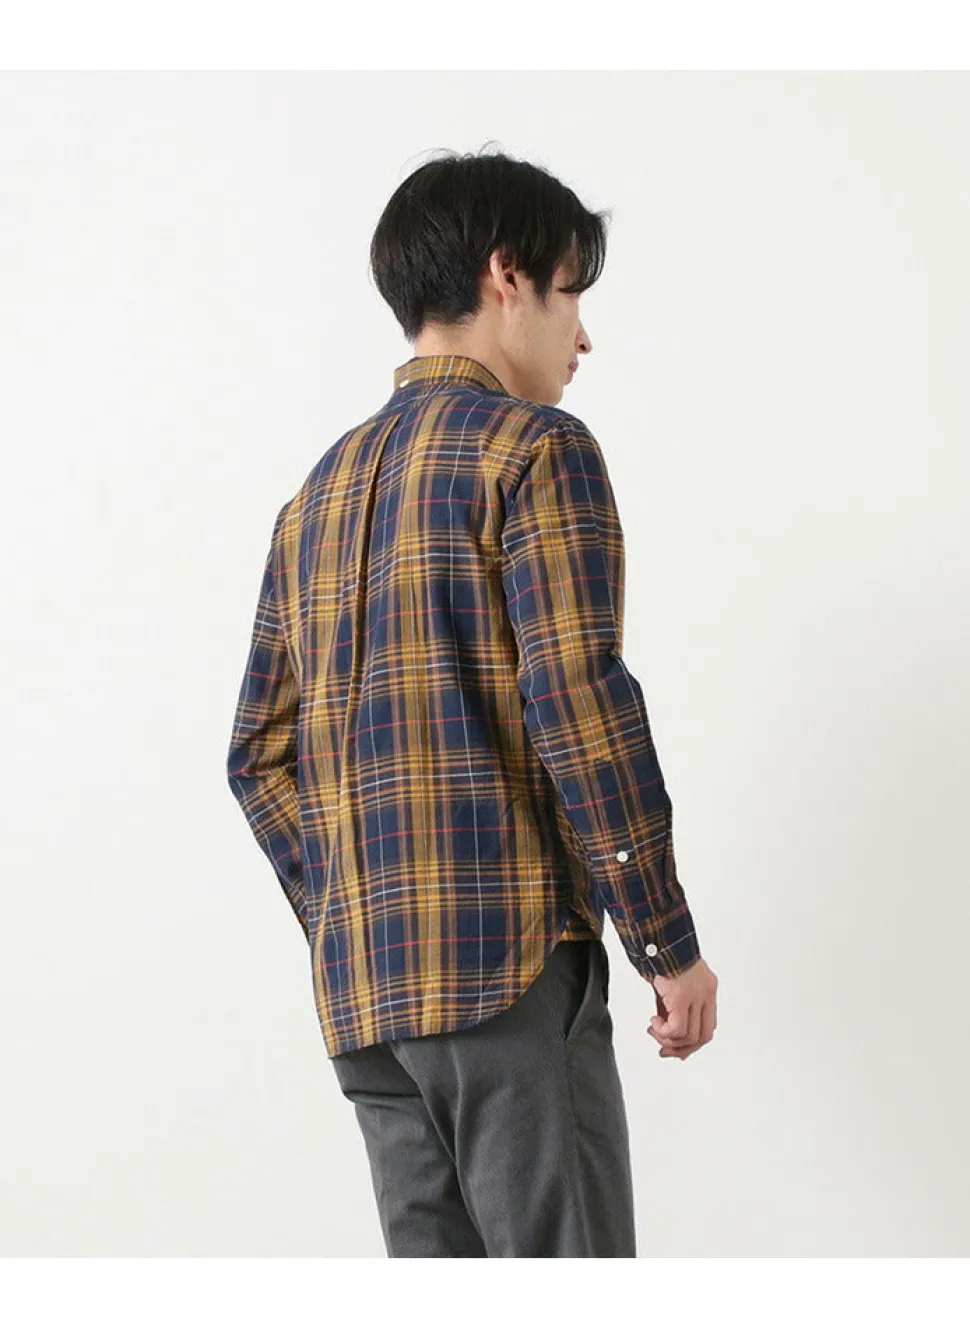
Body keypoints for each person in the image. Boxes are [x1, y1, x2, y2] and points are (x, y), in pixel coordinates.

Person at [226, 144, 718, 1258]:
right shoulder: (536, 450)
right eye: (571, 294)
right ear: (508, 276)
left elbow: (255, 754)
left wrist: (353, 909)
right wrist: (665, 940)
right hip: (508, 977)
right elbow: (578, 701)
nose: (582, 337)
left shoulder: (312, 497)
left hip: (369, 1008)